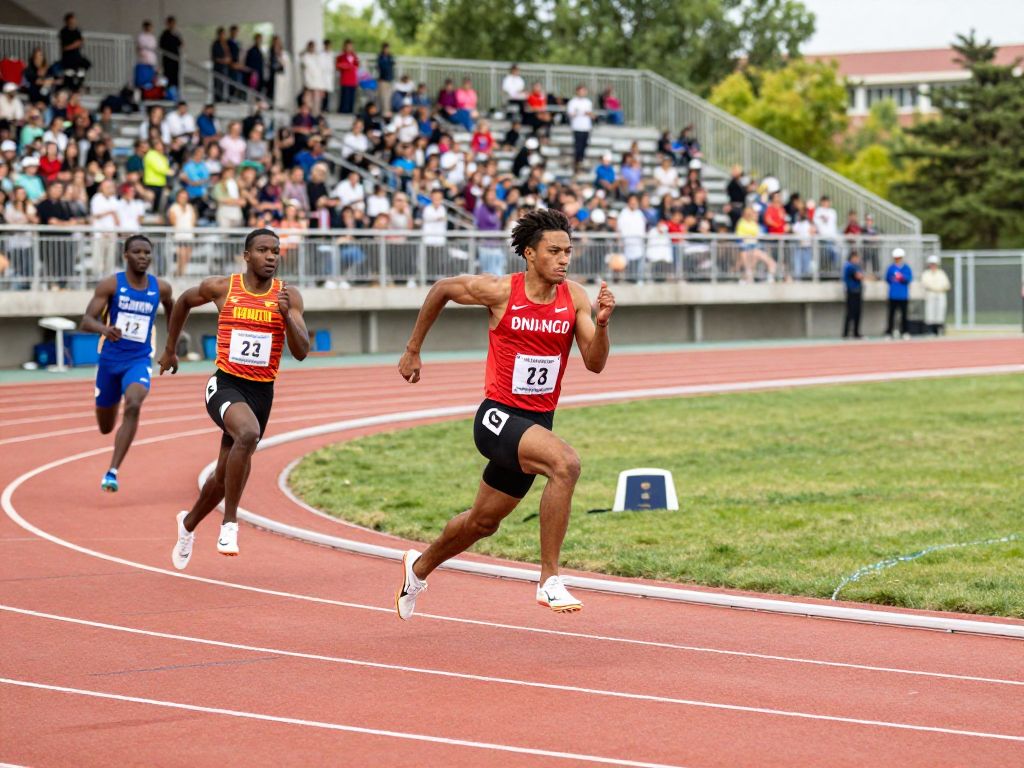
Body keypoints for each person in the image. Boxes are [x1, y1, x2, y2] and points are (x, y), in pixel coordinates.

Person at [395, 208, 616, 619]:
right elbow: (443, 288)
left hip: (537, 423)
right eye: (554, 251)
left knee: (483, 523)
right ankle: (549, 579)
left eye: (568, 251)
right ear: (530, 254)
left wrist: (602, 325)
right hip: (497, 417)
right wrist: (413, 348)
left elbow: (595, 363)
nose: (564, 259)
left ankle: (418, 567)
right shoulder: (500, 291)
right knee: (565, 464)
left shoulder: (576, 298)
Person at [159, 229, 309, 566]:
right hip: (225, 384)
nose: (270, 257)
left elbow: (301, 352)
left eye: (275, 251)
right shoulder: (223, 288)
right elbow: (183, 301)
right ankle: (230, 523)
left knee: (223, 477)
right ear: (246, 255)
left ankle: (187, 525)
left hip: (261, 392)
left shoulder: (288, 295)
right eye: (262, 250)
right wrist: (170, 350)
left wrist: (287, 315)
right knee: (248, 434)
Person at [80, 236, 173, 492]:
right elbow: (85, 320)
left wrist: (172, 346)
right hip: (110, 362)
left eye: (147, 253)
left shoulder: (161, 288)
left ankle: (112, 471)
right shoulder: (111, 285)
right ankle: (107, 400)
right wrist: (104, 328)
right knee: (105, 427)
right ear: (126, 255)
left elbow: (173, 311)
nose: (142, 257)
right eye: (137, 252)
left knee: (133, 403)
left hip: (139, 359)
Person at [885, 247, 913, 339]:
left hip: (903, 295)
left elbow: (908, 279)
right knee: (891, 315)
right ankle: (889, 332)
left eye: (899, 258)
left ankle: (905, 332)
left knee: (904, 315)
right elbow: (888, 279)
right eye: (896, 258)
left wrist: (901, 278)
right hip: (893, 295)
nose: (897, 259)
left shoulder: (906, 268)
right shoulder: (891, 268)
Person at [566, 85, 594, 172]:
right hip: (577, 126)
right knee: (578, 146)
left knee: (584, 145)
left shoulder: (588, 102)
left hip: (586, 127)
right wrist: (580, 112)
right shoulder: (572, 102)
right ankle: (577, 162)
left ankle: (581, 160)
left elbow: (590, 114)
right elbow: (570, 113)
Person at [921, 254, 950, 335]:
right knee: (930, 311)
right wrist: (934, 288)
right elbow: (925, 283)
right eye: (931, 264)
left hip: (940, 294)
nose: (933, 265)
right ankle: (930, 329)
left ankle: (939, 328)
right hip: (930, 294)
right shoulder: (926, 273)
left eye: (934, 264)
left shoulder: (941, 273)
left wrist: (939, 288)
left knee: (940, 311)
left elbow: (946, 284)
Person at [842, 251, 864, 339]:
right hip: (851, 292)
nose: (857, 259)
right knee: (850, 312)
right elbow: (859, 276)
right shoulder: (849, 266)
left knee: (858, 313)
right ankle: (846, 333)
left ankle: (856, 332)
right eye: (855, 258)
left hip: (858, 291)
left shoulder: (856, 266)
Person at [159, 17, 183, 94]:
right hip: (167, 59)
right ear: (168, 24)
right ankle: (166, 92)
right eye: (170, 23)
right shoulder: (164, 34)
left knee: (175, 77)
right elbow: (161, 46)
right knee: (167, 76)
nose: (172, 25)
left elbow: (181, 44)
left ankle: (176, 92)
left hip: (175, 59)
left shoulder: (176, 33)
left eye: (173, 23)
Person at [335, 40, 359, 115]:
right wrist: (347, 66)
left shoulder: (354, 56)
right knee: (345, 96)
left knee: (351, 97)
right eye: (348, 46)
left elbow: (356, 66)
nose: (349, 48)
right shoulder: (341, 57)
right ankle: (343, 110)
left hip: (353, 80)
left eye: (351, 46)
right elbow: (338, 66)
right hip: (345, 79)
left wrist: (349, 66)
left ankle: (350, 110)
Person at [377, 43, 395, 117]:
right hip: (383, 79)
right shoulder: (380, 57)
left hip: (389, 79)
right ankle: (383, 111)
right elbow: (380, 67)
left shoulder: (390, 57)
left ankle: (387, 111)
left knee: (388, 97)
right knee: (383, 97)